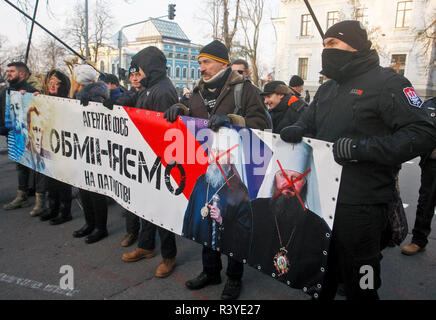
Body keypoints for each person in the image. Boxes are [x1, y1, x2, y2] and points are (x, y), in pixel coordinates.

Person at [280, 20, 436, 300]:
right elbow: (309, 119)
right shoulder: (327, 89)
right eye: (324, 45)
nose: (326, 51)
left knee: (361, 284)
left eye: (333, 44)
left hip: (363, 207)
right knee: (321, 277)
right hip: (322, 201)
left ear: (355, 45)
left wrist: (362, 148)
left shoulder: (389, 82)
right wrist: (299, 128)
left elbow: (423, 132)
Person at [164, 39, 270, 300]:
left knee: (233, 225)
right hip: (207, 168)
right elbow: (197, 122)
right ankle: (210, 271)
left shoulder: (244, 89)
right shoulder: (199, 91)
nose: (201, 68)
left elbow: (264, 122)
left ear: (222, 63)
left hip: (234, 171)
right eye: (199, 63)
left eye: (206, 62)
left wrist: (233, 121)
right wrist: (181, 110)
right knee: (205, 218)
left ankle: (234, 278)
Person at [120, 46, 179, 279]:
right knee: (145, 206)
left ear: (151, 67)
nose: (138, 73)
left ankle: (169, 256)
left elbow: (164, 133)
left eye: (141, 68)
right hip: (145, 159)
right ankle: (145, 246)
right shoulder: (149, 88)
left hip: (159, 162)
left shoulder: (163, 91)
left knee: (161, 211)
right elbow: (131, 98)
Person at [249, 141, 330, 295]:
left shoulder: (319, 228)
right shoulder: (255, 209)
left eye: (296, 178)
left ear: (305, 183)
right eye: (283, 175)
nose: (289, 183)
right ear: (275, 177)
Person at [182, 128, 252, 261]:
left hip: (230, 244)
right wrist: (187, 232)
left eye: (220, 152)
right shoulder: (202, 180)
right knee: (207, 247)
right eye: (214, 151)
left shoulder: (240, 191)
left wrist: (222, 220)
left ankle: (234, 278)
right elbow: (189, 213)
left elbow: (244, 231)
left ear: (232, 157)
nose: (215, 156)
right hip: (204, 237)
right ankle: (209, 272)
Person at [71, 63, 110, 244]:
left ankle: (100, 227)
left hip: (94, 150)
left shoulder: (94, 98)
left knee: (95, 190)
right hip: (81, 148)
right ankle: (90, 223)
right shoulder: (78, 96)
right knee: (84, 189)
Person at [401, 96, 436, 255]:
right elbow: (420, 131)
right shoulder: (429, 105)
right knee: (426, 202)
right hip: (432, 163)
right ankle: (418, 240)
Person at [3, 62, 39, 211]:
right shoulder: (6, 91)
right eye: (8, 71)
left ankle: (34, 194)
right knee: (19, 164)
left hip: (27, 135)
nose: (8, 74)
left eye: (12, 71)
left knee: (31, 165)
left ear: (22, 74)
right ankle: (23, 193)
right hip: (12, 133)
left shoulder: (31, 91)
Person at [38, 70, 73, 225]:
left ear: (62, 85)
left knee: (62, 182)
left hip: (62, 149)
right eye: (50, 81)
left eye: (56, 82)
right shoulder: (44, 100)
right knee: (50, 180)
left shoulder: (68, 102)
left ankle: (65, 212)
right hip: (47, 146)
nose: (52, 84)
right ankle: (53, 208)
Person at [116, 62, 144, 247]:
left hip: (145, 151)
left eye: (138, 75)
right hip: (128, 151)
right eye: (131, 75)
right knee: (129, 194)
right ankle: (131, 231)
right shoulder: (127, 94)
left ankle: (146, 237)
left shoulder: (150, 94)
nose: (134, 78)